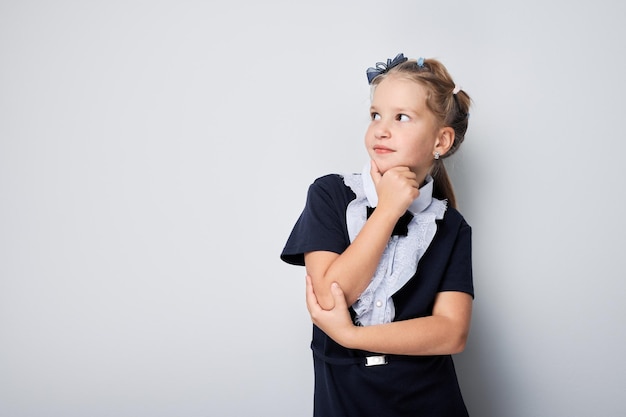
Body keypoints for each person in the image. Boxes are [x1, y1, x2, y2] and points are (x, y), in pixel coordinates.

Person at [280, 53, 474, 417]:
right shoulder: (331, 196)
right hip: (345, 403)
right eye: (375, 115)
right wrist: (387, 210)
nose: (381, 129)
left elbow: (451, 332)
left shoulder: (452, 227)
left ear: (441, 140)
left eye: (401, 117)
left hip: (430, 401)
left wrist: (351, 336)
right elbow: (330, 295)